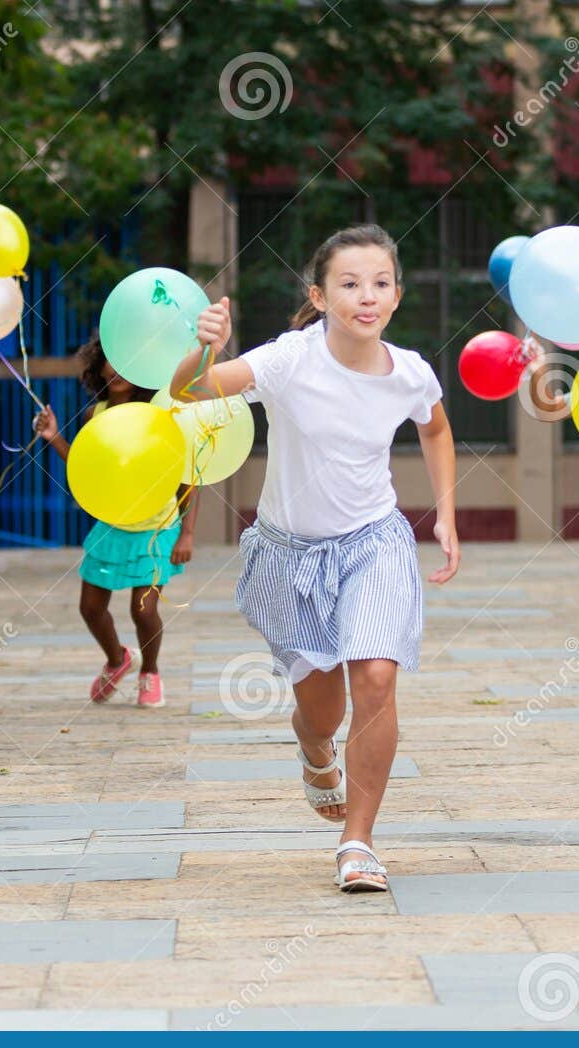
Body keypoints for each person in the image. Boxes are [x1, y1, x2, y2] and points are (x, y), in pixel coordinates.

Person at [168, 224, 459, 894]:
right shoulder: (288, 360)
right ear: (319, 295)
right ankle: (314, 747)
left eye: (380, 284)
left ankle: (357, 841)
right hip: (289, 553)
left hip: (374, 542)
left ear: (396, 296)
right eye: (350, 284)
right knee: (321, 711)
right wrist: (201, 347)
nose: (367, 296)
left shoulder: (409, 370)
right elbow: (192, 391)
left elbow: (437, 427)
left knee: (378, 679)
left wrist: (444, 510)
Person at [33, 335, 197, 708]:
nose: (119, 368)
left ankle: (149, 672)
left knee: (145, 609)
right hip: (112, 525)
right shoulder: (97, 414)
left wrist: (186, 532)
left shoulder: (160, 414)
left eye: (130, 360)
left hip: (157, 527)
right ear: (99, 365)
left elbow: (189, 475)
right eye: (112, 360)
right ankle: (116, 659)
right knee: (90, 607)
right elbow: (85, 468)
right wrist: (53, 436)